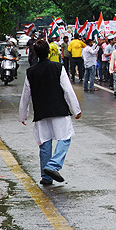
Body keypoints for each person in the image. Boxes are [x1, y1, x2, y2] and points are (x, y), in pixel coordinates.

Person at [19, 40, 81, 185]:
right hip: (59, 110)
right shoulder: (58, 67)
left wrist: (23, 115)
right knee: (65, 138)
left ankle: (46, 177)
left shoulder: (30, 71)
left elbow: (25, 95)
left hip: (41, 112)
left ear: (35, 53)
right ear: (49, 52)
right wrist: (76, 109)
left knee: (45, 144)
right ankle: (53, 166)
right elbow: (67, 90)